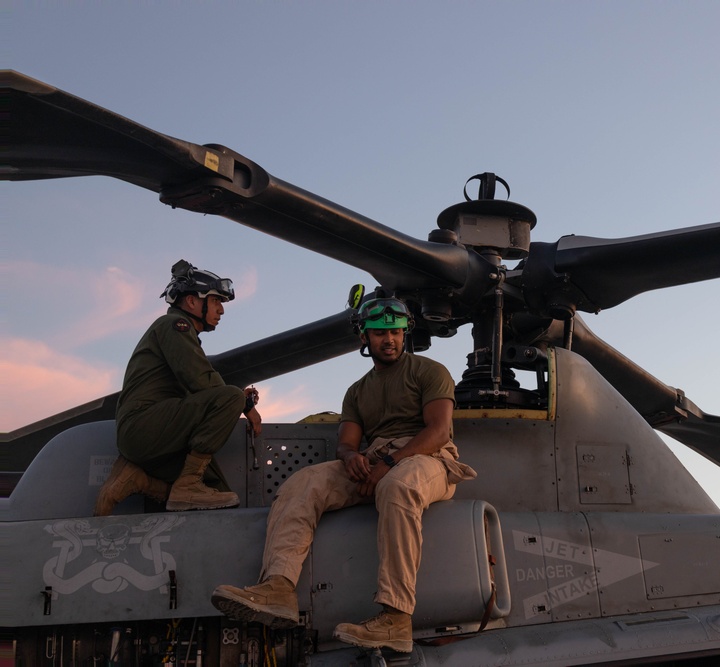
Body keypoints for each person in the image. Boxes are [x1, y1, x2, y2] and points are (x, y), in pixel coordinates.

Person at [211, 297, 475, 654]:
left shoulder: (428, 371)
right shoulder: (356, 391)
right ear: (364, 338)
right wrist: (351, 457)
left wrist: (390, 464)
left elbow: (439, 432)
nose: (390, 340)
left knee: (398, 488)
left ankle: (396, 618)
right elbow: (347, 442)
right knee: (303, 483)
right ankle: (279, 588)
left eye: (396, 331)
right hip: (377, 459)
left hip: (428, 459)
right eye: (380, 332)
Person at [93, 259, 263, 516]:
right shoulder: (174, 326)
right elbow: (199, 379)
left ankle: (138, 480)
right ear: (192, 301)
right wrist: (244, 404)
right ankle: (188, 485)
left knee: (218, 494)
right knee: (229, 397)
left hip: (156, 430)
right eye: (216, 301)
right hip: (145, 426)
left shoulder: (179, 334)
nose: (221, 310)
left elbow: (194, 386)